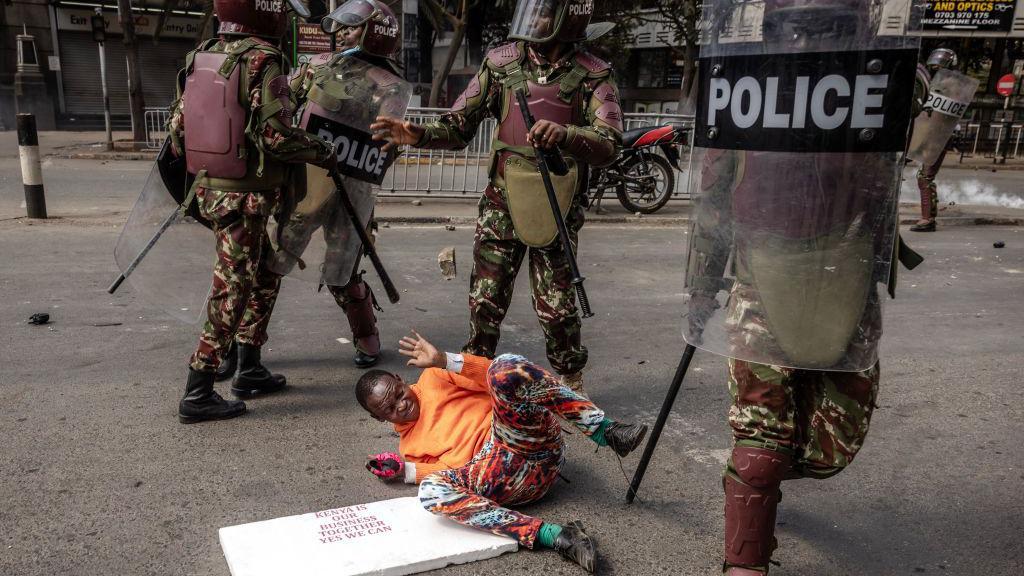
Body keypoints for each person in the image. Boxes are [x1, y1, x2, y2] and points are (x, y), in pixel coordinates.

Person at [683, 1, 924, 573]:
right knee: (762, 427)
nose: (809, 40)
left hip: (847, 271)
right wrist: (702, 285)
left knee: (831, 443)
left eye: (829, 27)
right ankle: (745, 556)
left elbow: (897, 165)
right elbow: (716, 195)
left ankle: (758, 479)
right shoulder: (747, 84)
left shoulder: (884, 78)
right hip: (759, 273)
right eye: (798, 27)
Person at [371, 0, 623, 394]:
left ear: (568, 18)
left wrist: (568, 135)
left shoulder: (593, 74)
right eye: (532, 10)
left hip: (555, 204)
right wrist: (419, 134)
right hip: (501, 202)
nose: (533, 20)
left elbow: (609, 144)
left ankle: (571, 383)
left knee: (557, 310)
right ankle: (475, 382)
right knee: (485, 302)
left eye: (544, 12)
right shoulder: (501, 64)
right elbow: (458, 126)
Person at [168, 0, 336, 423]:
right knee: (233, 288)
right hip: (246, 200)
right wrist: (321, 150)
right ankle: (199, 389)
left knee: (261, 277)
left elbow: (177, 130)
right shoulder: (264, 60)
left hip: (213, 191)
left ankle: (249, 367)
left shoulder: (202, 55)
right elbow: (276, 137)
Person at [354, 331, 648, 573]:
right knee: (430, 492)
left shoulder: (435, 377)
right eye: (389, 409)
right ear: (379, 419)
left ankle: (604, 431)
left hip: (526, 439)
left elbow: (491, 376)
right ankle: (556, 536)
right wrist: (406, 471)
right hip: (504, 480)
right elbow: (454, 474)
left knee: (504, 365)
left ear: (400, 378)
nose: (400, 405)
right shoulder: (409, 448)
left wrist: (445, 360)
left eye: (398, 394)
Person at [911, 47, 959, 233]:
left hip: (940, 135)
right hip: (930, 133)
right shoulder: (934, 84)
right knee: (923, 176)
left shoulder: (952, 86)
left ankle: (928, 219)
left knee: (925, 176)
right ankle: (928, 217)